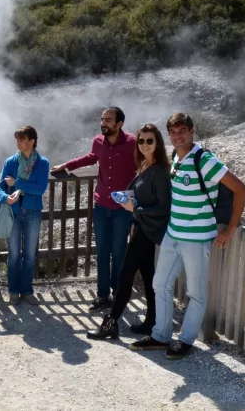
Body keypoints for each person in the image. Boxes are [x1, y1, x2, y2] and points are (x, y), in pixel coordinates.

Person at [131, 113, 245, 359]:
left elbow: (241, 189)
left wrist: (230, 229)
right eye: (173, 132)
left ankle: (185, 340)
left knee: (196, 293)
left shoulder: (204, 159)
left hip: (196, 237)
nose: (177, 136)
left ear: (192, 131)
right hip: (174, 233)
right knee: (160, 284)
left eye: (182, 131)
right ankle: (160, 336)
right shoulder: (176, 158)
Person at [88, 123, 170, 340]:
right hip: (141, 227)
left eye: (149, 141)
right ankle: (152, 321)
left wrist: (136, 208)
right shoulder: (145, 166)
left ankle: (111, 323)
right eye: (141, 140)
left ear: (158, 143)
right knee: (147, 274)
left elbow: (164, 207)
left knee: (125, 274)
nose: (144, 144)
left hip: (148, 231)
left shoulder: (160, 171)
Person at [51, 107, 136, 313]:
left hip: (123, 208)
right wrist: (66, 165)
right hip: (101, 206)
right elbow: (90, 157)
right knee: (102, 252)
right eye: (102, 119)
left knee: (118, 253)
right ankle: (102, 296)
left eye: (108, 120)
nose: (103, 123)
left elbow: (146, 163)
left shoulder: (133, 143)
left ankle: (118, 294)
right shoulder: (98, 141)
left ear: (119, 123)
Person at [0, 126, 50, 305]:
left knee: (29, 254)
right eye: (17, 140)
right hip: (14, 212)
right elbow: (0, 188)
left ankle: (27, 290)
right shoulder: (10, 162)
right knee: (14, 255)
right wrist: (6, 198)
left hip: (33, 212)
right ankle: (13, 291)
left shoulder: (42, 163)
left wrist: (17, 183)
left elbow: (40, 188)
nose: (18, 143)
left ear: (32, 141)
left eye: (22, 139)